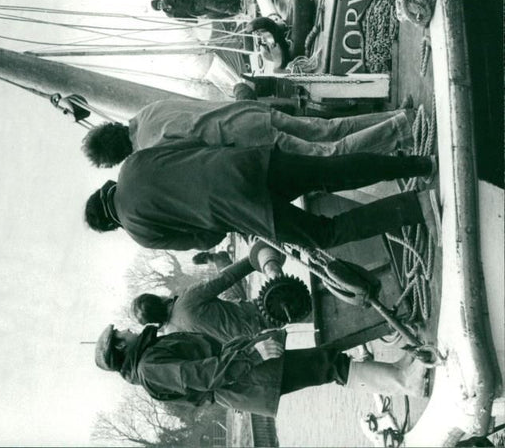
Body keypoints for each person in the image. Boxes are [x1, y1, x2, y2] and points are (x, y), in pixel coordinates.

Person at [83, 141, 438, 252]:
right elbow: (191, 147)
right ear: (104, 190)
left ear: (111, 225)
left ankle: (416, 205)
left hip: (242, 207)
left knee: (323, 235)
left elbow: (206, 240)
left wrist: (220, 223)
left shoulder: (139, 232)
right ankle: (420, 165)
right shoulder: (132, 163)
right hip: (245, 162)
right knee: (330, 172)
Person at [94, 324, 429, 417]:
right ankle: (404, 381)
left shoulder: (148, 362)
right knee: (329, 366)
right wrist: (251, 356)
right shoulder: (150, 368)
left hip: (243, 376)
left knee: (326, 364)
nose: (125, 329)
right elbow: (202, 376)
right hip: (244, 377)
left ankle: (399, 373)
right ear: (120, 347)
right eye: (119, 334)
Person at [81, 98, 414, 167]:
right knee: (327, 128)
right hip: (247, 112)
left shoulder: (150, 150)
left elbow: (202, 152)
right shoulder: (146, 111)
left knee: (326, 155)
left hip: (245, 138)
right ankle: (399, 115)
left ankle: (402, 128)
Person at [131, 257, 269, 343]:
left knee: (229, 297)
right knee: (230, 292)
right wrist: (253, 259)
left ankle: (218, 260)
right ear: (159, 299)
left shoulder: (171, 337)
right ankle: (218, 260)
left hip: (252, 345)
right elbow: (225, 278)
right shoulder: (186, 300)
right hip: (260, 314)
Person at [151, 0, 243, 22]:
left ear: (160, 0)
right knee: (214, 15)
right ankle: (236, 5)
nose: (161, 5)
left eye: (159, 3)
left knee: (210, 3)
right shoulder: (170, 14)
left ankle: (235, 9)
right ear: (160, 9)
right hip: (197, 12)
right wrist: (196, 20)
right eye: (159, 7)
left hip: (196, 1)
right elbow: (183, 19)